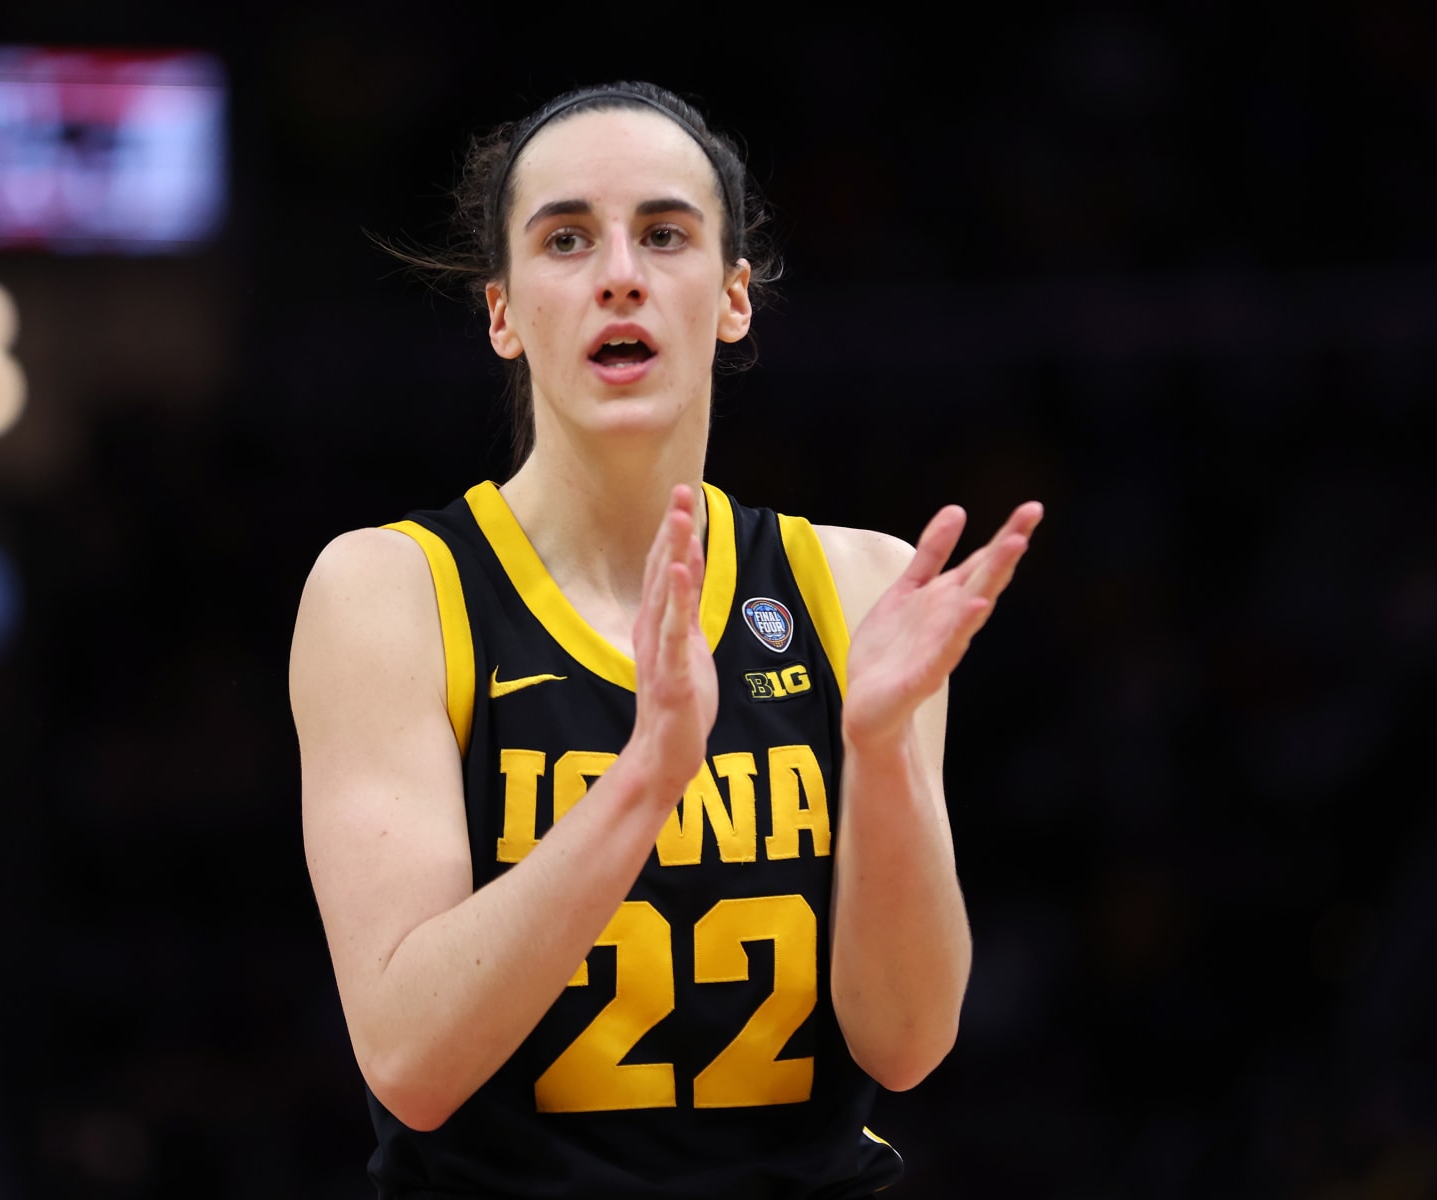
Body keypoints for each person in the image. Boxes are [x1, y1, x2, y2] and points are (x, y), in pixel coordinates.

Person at [291, 81, 1042, 1198]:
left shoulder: (861, 585)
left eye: (664, 233)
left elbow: (908, 1042)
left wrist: (880, 752)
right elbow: (410, 1061)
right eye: (565, 239)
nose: (620, 273)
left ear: (734, 297)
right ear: (502, 312)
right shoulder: (389, 591)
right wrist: (647, 776)